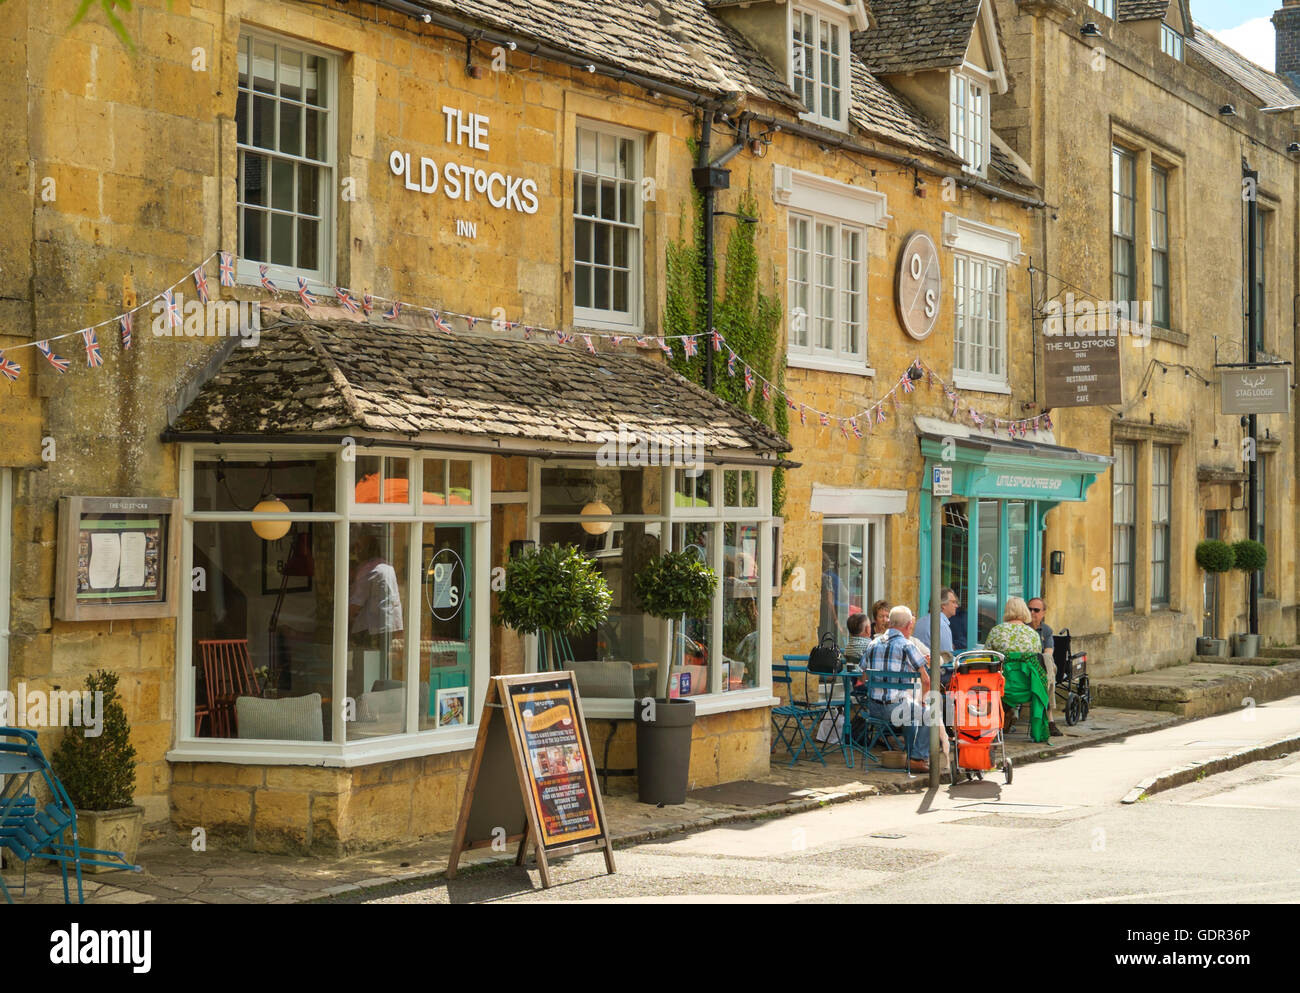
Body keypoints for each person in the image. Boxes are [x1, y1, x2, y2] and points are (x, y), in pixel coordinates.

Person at [858, 605, 932, 773]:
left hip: (872, 710)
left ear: (890, 623)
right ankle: (917, 758)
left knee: (912, 713)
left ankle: (909, 754)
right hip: (895, 709)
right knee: (928, 712)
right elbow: (926, 681)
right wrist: (922, 700)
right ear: (908, 626)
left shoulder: (872, 644)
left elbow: (863, 678)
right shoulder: (907, 646)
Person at [1028, 596, 1061, 735]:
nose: (1032, 613)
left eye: (1036, 610)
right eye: (1029, 609)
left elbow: (1048, 652)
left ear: (1043, 613)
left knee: (1048, 665)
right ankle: (1050, 720)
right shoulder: (1021, 628)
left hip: (1040, 666)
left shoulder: (1046, 631)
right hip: (1025, 667)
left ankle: (1050, 718)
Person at [913, 587, 957, 657]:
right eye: (953, 602)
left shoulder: (920, 621)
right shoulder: (941, 625)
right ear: (943, 605)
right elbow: (947, 658)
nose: (956, 606)